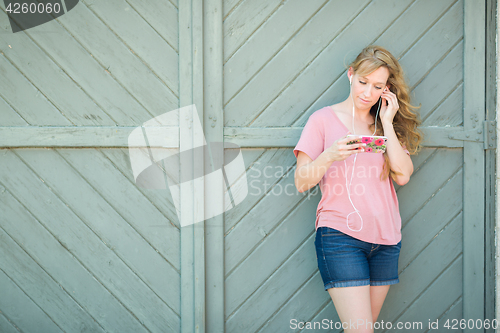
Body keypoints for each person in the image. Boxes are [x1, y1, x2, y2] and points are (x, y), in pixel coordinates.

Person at [293, 45, 422, 333]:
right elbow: (301, 181)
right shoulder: (322, 120)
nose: (367, 92)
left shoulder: (383, 126)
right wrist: (331, 154)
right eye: (362, 82)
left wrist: (387, 123)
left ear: (386, 90)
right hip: (341, 238)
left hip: (386, 240)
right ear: (350, 74)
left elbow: (402, 175)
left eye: (377, 86)